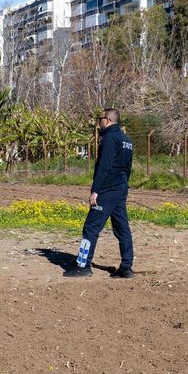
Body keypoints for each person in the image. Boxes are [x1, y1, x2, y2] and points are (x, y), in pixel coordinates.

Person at [64, 108, 134, 278]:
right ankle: (126, 267)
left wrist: (96, 191)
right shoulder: (126, 140)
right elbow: (128, 167)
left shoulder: (109, 138)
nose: (98, 122)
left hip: (107, 189)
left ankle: (83, 265)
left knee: (91, 227)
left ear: (108, 120)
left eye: (100, 119)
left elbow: (104, 166)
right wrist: (123, 186)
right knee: (122, 228)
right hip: (120, 187)